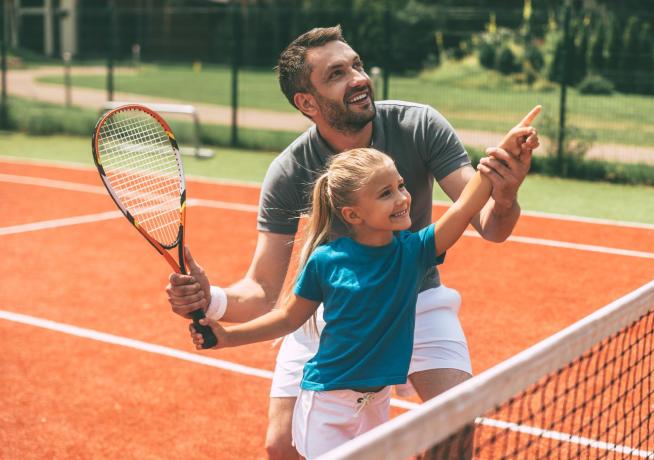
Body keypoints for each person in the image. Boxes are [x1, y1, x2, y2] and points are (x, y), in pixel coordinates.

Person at [166, 25, 540, 459]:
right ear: (307, 103)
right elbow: (264, 290)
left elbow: (488, 225)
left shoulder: (419, 125)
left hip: (416, 299)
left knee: (454, 425)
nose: (359, 78)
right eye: (337, 74)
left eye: (357, 65)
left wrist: (506, 193)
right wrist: (209, 300)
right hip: (333, 308)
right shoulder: (289, 171)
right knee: (282, 446)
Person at [190, 146, 529, 458]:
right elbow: (288, 319)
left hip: (375, 405)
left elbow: (465, 207)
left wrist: (495, 163)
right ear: (352, 215)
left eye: (400, 186)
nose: (402, 198)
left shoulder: (414, 251)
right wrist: (229, 338)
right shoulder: (326, 261)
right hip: (327, 407)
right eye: (385, 193)